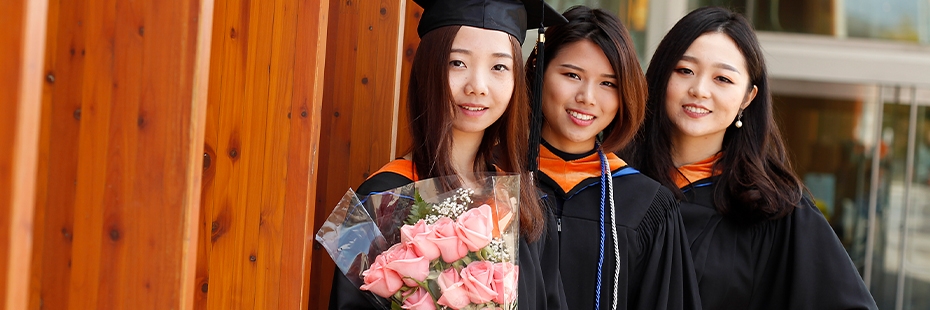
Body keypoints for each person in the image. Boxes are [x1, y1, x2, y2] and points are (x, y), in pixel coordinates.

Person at [623, 6, 878, 309]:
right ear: (661, 74)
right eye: (685, 70)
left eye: (723, 79)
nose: (699, 90)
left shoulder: (774, 210)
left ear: (748, 97)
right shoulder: (611, 185)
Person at [328, 0, 568, 309]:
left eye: (498, 67)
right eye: (458, 63)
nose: (477, 86)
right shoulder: (380, 197)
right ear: (429, 69)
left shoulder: (525, 203)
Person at [526, 6, 701, 310]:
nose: (587, 97)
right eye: (571, 75)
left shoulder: (646, 204)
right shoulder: (490, 181)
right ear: (538, 71)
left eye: (608, 83)